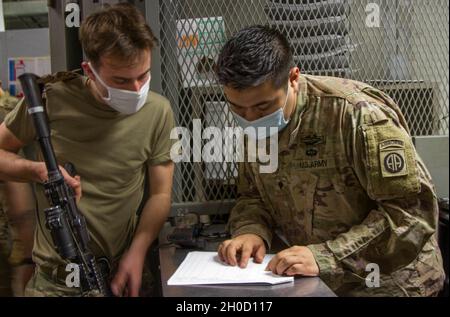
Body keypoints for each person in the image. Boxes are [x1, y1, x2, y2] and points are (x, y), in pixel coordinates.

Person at [215, 25, 445, 297]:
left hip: (389, 285)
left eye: (263, 107)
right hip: (316, 284)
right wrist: (251, 231)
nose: (250, 118)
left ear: (293, 78)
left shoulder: (357, 115)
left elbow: (412, 215)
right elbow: (253, 195)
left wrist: (327, 257)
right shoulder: (254, 125)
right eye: (237, 108)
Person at [0, 3, 176, 297]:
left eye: (143, 76)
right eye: (120, 80)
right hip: (55, 283)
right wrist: (37, 171)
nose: (135, 89)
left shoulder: (158, 112)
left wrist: (138, 250)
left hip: (120, 276)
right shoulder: (51, 99)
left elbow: (160, 194)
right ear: (89, 71)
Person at [0, 86, 36, 297]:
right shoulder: (16, 109)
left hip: (9, 250)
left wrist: (26, 258)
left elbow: (18, 192)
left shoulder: (9, 114)